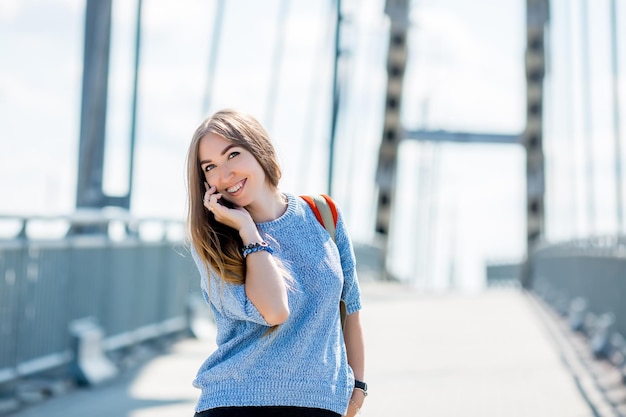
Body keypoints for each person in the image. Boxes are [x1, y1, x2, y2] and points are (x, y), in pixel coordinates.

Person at [185, 109, 367, 417]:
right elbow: (274, 310)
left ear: (259, 149)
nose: (224, 173)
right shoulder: (214, 240)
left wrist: (358, 387)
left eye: (233, 155)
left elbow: (350, 310)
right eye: (210, 167)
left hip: (321, 404)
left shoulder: (323, 214)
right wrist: (248, 232)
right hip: (237, 403)